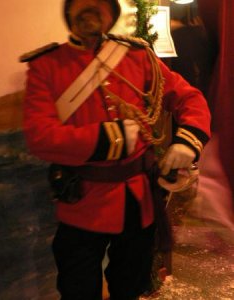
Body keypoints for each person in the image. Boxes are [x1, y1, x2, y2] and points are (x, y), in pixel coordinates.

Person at [22, 1, 211, 299]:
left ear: (111, 13)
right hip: (81, 204)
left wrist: (187, 140)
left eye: (100, 3)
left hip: (138, 201)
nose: (90, 8)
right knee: (78, 289)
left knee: (130, 287)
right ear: (69, 10)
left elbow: (189, 98)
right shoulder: (46, 65)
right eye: (82, 2)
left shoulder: (137, 56)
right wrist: (112, 137)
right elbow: (39, 137)